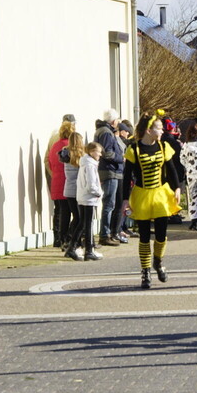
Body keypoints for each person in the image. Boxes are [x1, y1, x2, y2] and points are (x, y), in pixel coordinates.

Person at [122, 111, 182, 289]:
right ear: (149, 130)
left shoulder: (163, 146)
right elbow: (127, 177)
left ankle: (158, 261)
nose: (162, 131)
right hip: (142, 194)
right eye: (159, 128)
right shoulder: (134, 150)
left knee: (162, 234)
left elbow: (171, 169)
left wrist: (177, 188)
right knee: (144, 235)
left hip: (161, 193)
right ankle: (145, 270)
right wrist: (125, 199)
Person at [94, 109, 126, 246]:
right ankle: (105, 234)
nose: (118, 122)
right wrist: (121, 158)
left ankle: (110, 233)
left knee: (112, 203)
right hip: (110, 171)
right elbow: (107, 153)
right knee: (109, 204)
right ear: (113, 121)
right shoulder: (106, 132)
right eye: (117, 119)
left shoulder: (104, 131)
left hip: (112, 171)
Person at [45, 113, 76, 246]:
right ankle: (69, 237)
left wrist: (53, 174)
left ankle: (59, 238)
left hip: (56, 181)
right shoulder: (70, 146)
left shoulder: (54, 145)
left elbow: (48, 160)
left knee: (60, 211)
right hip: (68, 182)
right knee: (75, 213)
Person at [76, 141, 104, 261]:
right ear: (92, 152)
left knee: (84, 223)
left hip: (83, 197)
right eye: (98, 152)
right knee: (88, 224)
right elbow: (91, 185)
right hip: (89, 198)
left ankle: (74, 247)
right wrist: (99, 193)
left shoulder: (85, 163)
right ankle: (89, 250)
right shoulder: (90, 165)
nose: (100, 155)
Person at [61, 132, 85, 261]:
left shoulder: (65, 154)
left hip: (68, 189)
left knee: (76, 216)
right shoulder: (81, 156)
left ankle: (71, 240)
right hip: (78, 190)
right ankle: (74, 241)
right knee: (80, 218)